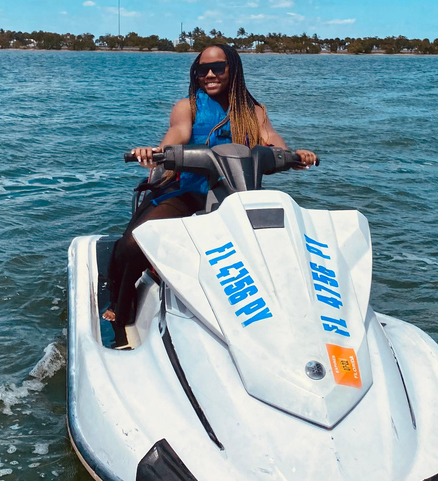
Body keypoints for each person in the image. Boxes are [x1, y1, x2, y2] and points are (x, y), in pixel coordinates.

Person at [104, 44, 317, 346]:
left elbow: (273, 143)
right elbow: (175, 136)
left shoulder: (254, 112)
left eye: (218, 68)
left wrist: (296, 156)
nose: (210, 74)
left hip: (238, 197)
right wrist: (156, 153)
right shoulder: (188, 106)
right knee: (132, 244)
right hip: (189, 191)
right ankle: (121, 310)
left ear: (233, 69)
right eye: (202, 69)